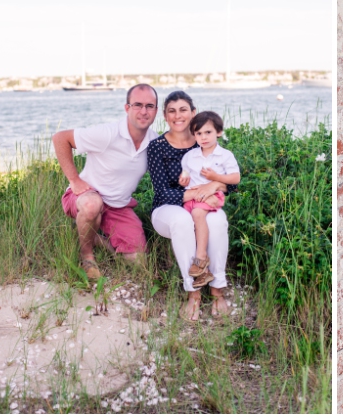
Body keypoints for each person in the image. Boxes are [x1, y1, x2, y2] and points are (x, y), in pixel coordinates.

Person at [54, 84, 159, 280]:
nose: (143, 111)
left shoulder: (155, 143)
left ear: (156, 111)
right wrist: (74, 180)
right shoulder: (108, 133)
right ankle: (86, 255)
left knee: (138, 262)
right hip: (85, 197)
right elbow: (61, 138)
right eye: (137, 105)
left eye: (149, 106)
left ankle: (94, 237)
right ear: (127, 108)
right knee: (92, 205)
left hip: (118, 206)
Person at [147, 91, 235, 321]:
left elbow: (230, 184)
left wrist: (214, 184)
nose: (178, 115)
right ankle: (193, 292)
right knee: (182, 220)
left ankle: (217, 289)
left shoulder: (204, 141)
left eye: (183, 109)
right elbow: (162, 192)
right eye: (172, 111)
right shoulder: (157, 147)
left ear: (193, 113)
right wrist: (197, 192)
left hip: (203, 205)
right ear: (165, 116)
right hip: (167, 209)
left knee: (217, 220)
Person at [178, 111, 241, 289]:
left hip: (212, 196)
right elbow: (186, 172)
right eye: (199, 134)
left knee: (198, 214)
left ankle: (201, 257)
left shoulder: (225, 155)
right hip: (193, 196)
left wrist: (215, 177)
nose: (203, 137)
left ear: (219, 132)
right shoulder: (191, 156)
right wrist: (184, 178)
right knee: (186, 223)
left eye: (208, 132)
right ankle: (202, 274)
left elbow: (235, 178)